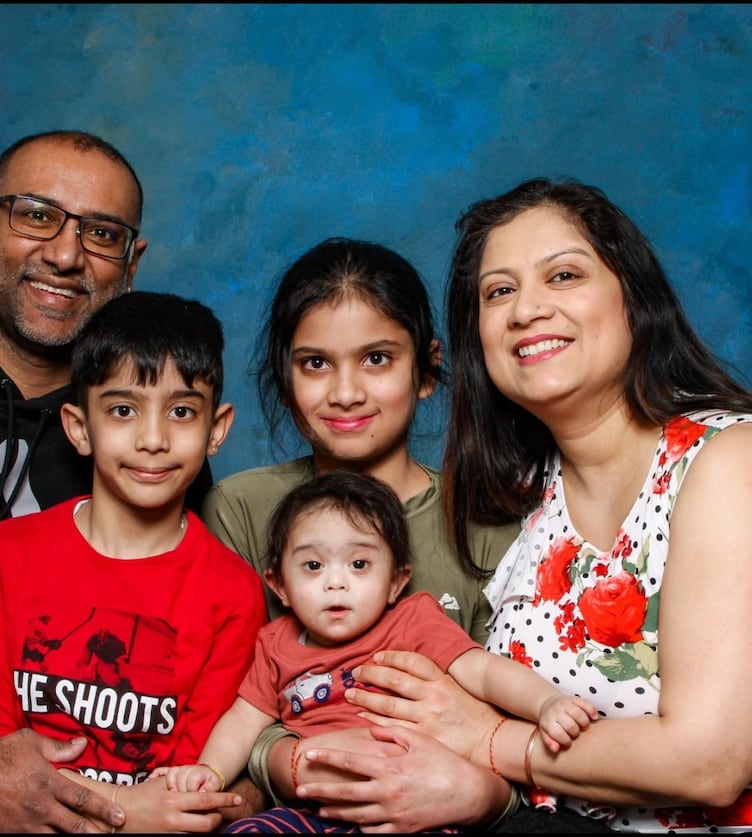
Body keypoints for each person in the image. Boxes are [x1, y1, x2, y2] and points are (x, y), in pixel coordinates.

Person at [279, 178, 752, 833]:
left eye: (563, 275)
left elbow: (709, 763)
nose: (527, 309)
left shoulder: (727, 459)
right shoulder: (521, 498)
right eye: (500, 291)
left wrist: (490, 739)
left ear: (634, 297)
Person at [199, 237, 518, 814]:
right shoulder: (240, 508)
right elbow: (238, 708)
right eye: (315, 364)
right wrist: (292, 760)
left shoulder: (488, 520)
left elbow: (510, 724)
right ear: (285, 378)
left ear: (427, 369)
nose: (345, 394)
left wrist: (483, 796)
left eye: (377, 359)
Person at [0, 290, 268, 832]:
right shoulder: (6, 551)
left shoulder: (233, 592)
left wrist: (130, 812)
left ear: (216, 430)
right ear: (79, 428)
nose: (153, 439)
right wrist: (118, 802)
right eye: (123, 410)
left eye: (181, 412)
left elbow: (188, 779)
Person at [157, 470, 596, 833]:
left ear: (395, 582)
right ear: (279, 586)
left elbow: (483, 672)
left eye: (359, 564)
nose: (336, 582)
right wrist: (211, 772)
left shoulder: (412, 621)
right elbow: (242, 721)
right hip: (314, 810)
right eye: (313, 566)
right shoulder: (275, 644)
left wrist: (545, 703)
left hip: (417, 805)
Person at [0, 129, 150, 833]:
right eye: (36, 215)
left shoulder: (151, 426)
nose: (66, 256)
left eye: (102, 234)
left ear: (131, 264)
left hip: (81, 781)